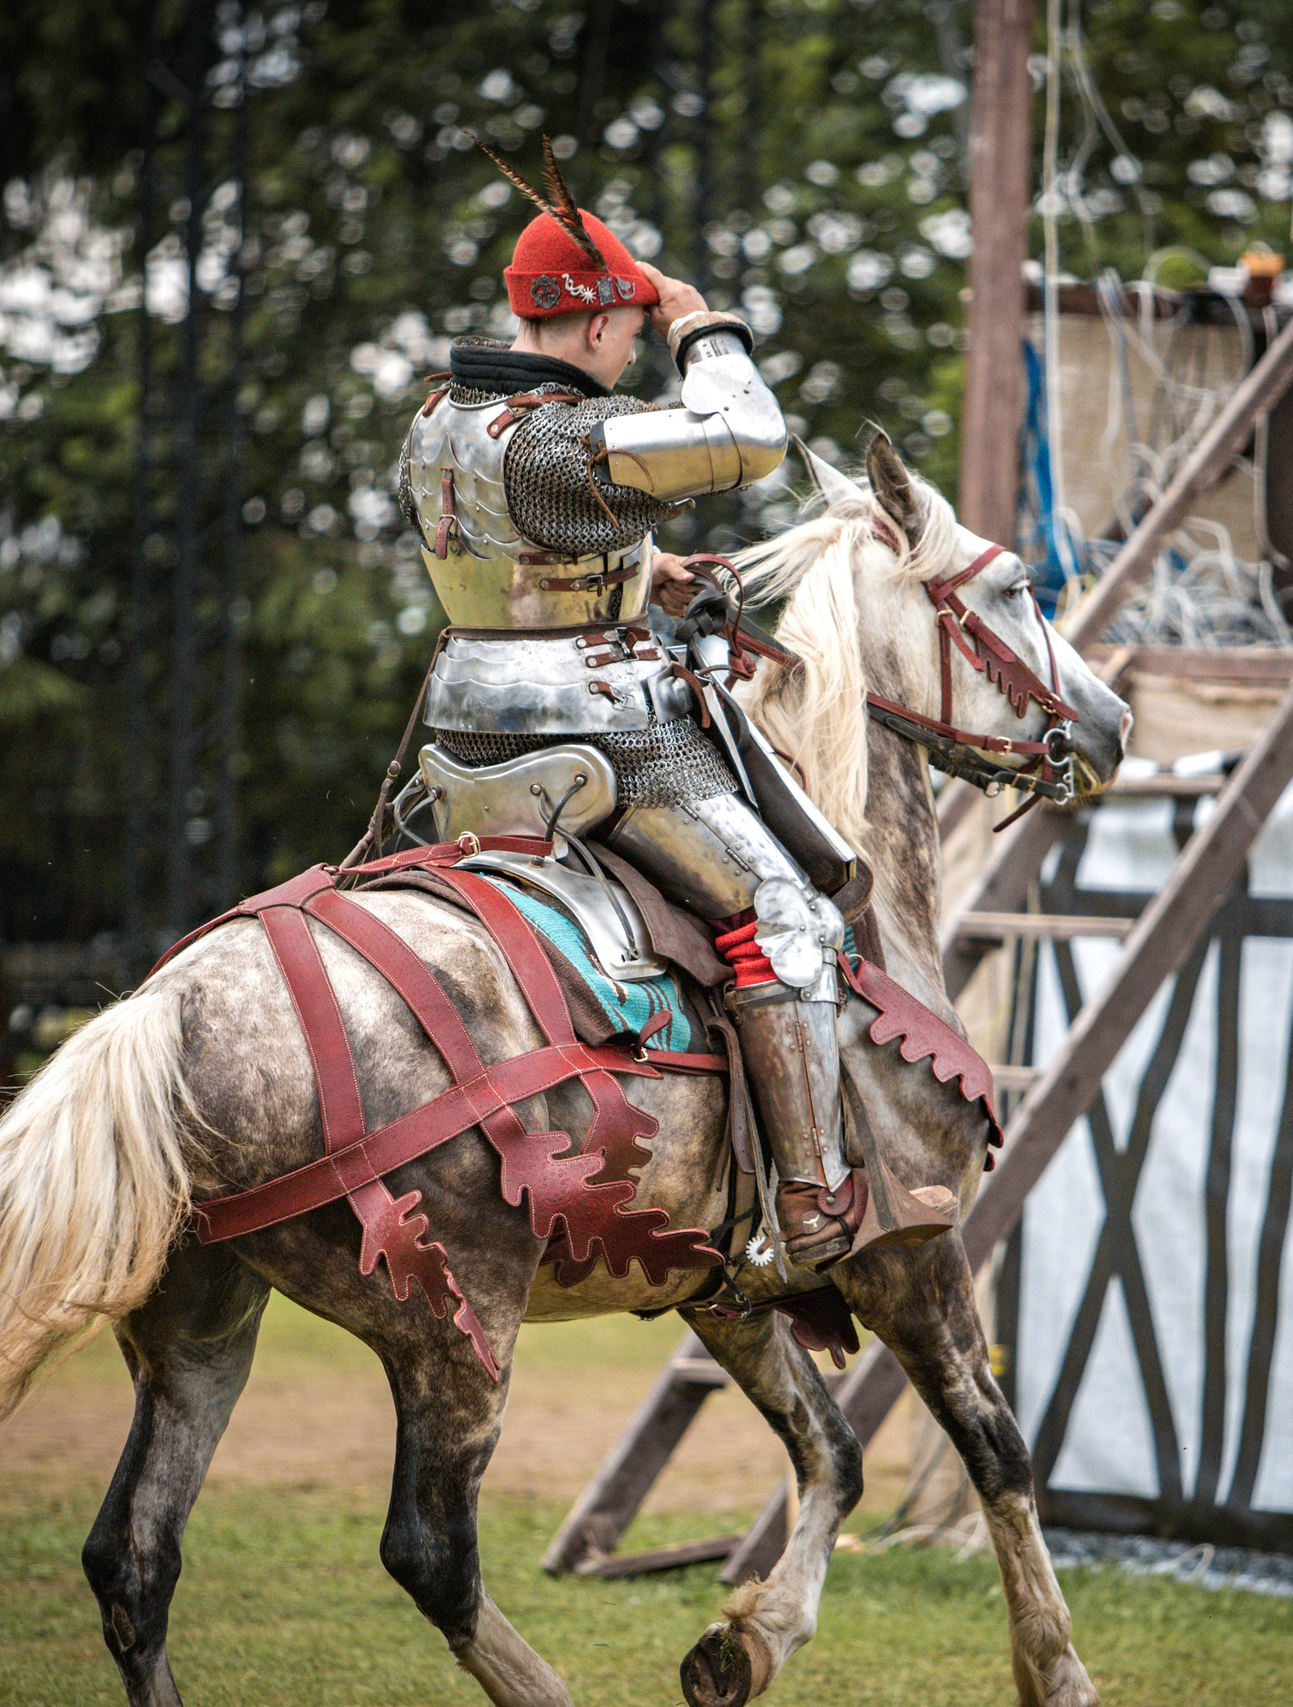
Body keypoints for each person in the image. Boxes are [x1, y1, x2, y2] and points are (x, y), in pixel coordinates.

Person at [390, 152, 902, 1265]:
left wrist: (642, 570)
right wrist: (698, 324)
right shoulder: (564, 436)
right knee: (786, 918)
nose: (630, 353)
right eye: (623, 332)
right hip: (600, 739)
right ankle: (812, 1201)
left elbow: (504, 541)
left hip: (466, 733)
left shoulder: (439, 418)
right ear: (588, 325)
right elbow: (747, 439)